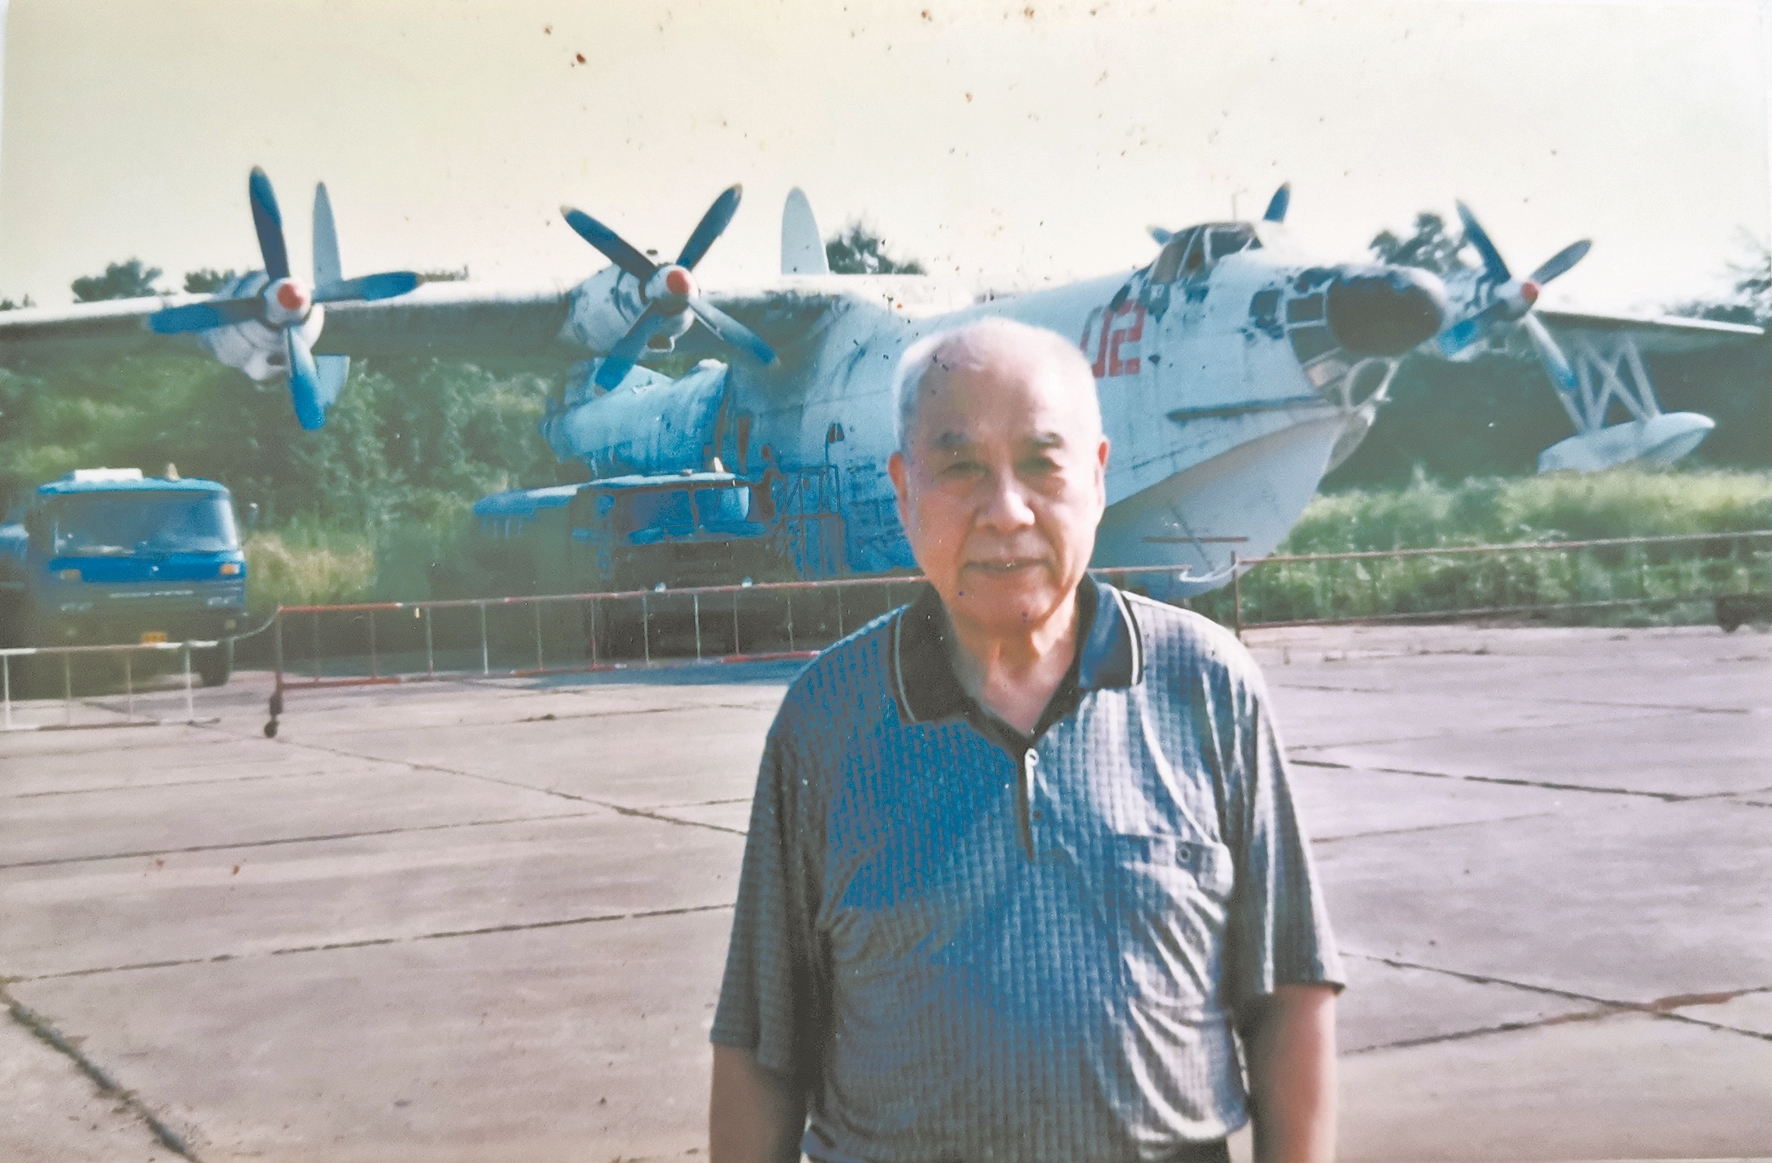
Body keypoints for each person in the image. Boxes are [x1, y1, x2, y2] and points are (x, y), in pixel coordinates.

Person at [708, 318, 1343, 1163]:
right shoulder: (824, 720)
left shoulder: (1208, 685)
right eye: (961, 467)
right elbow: (762, 1041)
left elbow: (1289, 989)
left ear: (1099, 477)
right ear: (903, 489)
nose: (1007, 511)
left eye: (1043, 464)